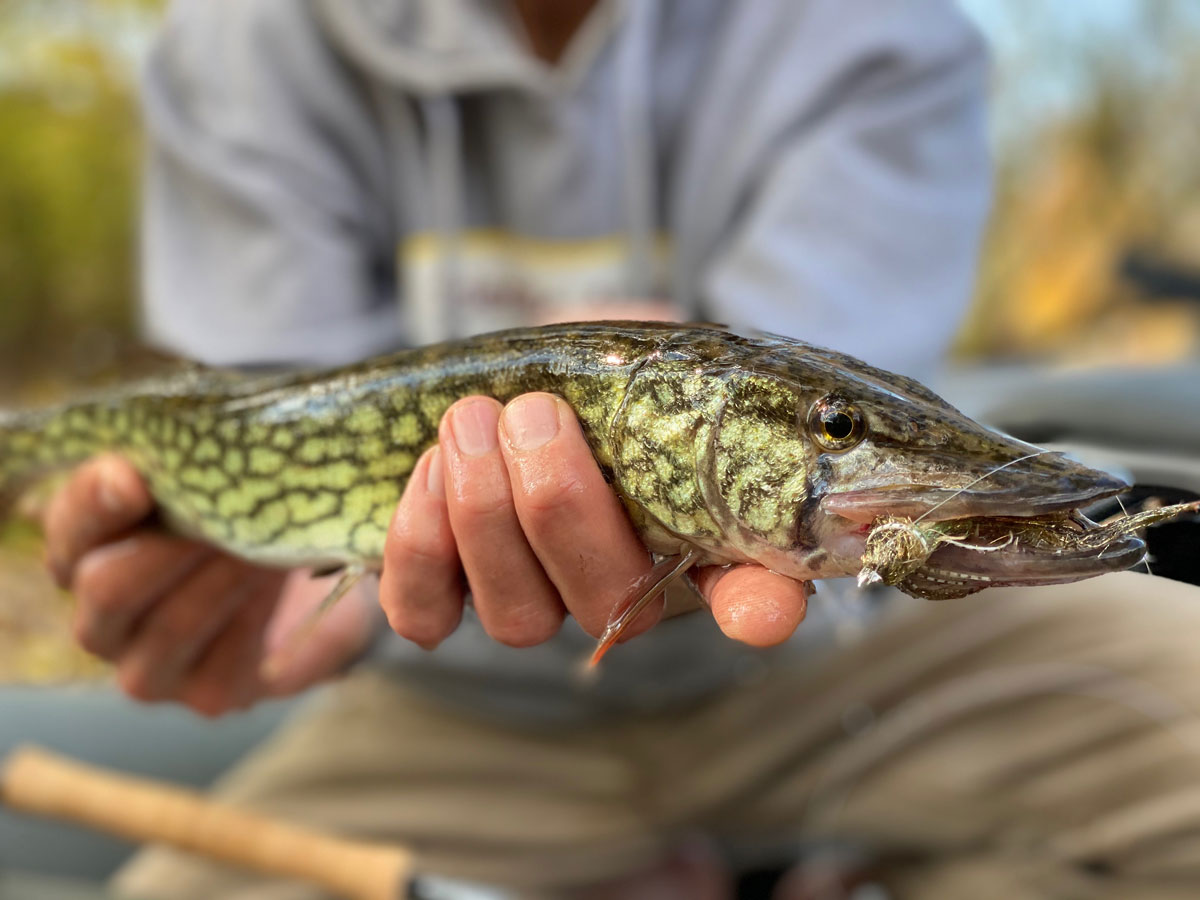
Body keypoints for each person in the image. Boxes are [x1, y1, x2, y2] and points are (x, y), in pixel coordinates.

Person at [40, 1, 1200, 898]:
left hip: (859, 665)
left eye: (838, 435)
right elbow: (281, 421)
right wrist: (274, 609)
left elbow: (826, 418)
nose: (842, 442)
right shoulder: (250, 41)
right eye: (839, 438)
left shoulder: (873, 30)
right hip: (458, 707)